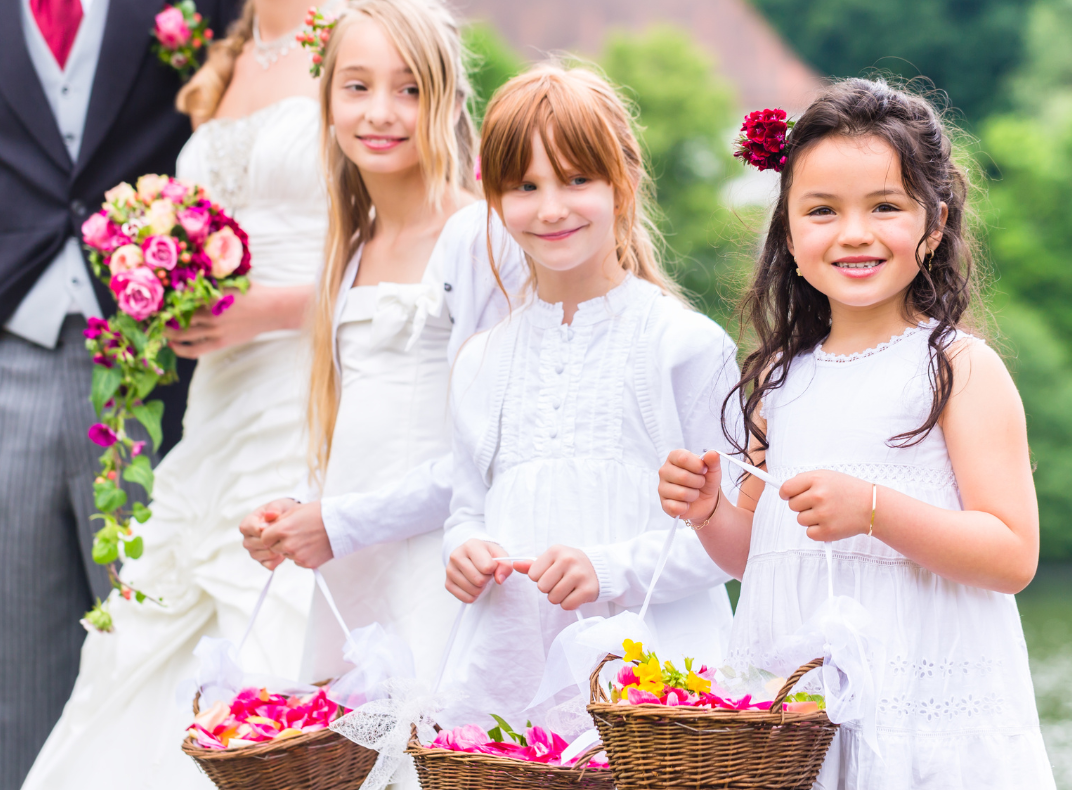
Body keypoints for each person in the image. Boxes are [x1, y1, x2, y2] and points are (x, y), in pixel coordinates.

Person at [658, 79, 1056, 788]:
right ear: (788, 231)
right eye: (822, 211)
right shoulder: (778, 381)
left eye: (884, 207)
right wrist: (708, 510)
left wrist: (874, 510)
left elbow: (1012, 553)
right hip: (799, 714)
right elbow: (761, 558)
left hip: (920, 707)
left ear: (932, 226)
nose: (853, 233)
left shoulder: (957, 368)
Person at [21, 2, 326, 787]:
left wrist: (269, 311)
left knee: (278, 636)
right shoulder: (223, 49)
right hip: (218, 396)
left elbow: (425, 246)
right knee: (143, 630)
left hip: (310, 388)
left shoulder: (364, 32)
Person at [239, 0, 525, 693]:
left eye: (409, 89)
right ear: (328, 100)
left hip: (438, 560)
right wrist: (299, 511)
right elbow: (364, 426)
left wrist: (339, 521)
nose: (380, 113)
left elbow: (494, 448)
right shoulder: (348, 252)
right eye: (357, 87)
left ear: (448, 100)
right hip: (355, 559)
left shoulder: (481, 236)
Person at [440, 65, 738, 728]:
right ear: (493, 197)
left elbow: (735, 539)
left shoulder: (685, 345)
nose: (550, 208)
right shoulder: (479, 361)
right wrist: (461, 552)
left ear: (622, 183)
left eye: (577, 180)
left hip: (659, 692)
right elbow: (466, 510)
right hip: (508, 687)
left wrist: (607, 570)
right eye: (525, 186)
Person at [0, 0, 237, 786]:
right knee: (13, 654)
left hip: (159, 367)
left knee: (151, 637)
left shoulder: (201, 9)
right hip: (9, 353)